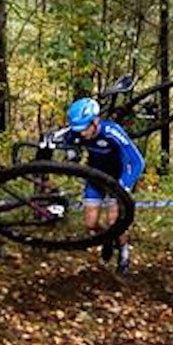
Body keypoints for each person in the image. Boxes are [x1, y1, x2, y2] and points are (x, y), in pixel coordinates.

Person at [65, 97, 144, 274]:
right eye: (78, 130)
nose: (82, 133)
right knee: (90, 223)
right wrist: (71, 152)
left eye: (85, 128)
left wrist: (125, 185)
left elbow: (137, 161)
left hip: (118, 179)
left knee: (114, 221)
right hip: (95, 178)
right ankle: (107, 238)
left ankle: (123, 252)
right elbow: (66, 139)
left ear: (95, 121)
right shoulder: (76, 132)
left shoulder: (112, 132)